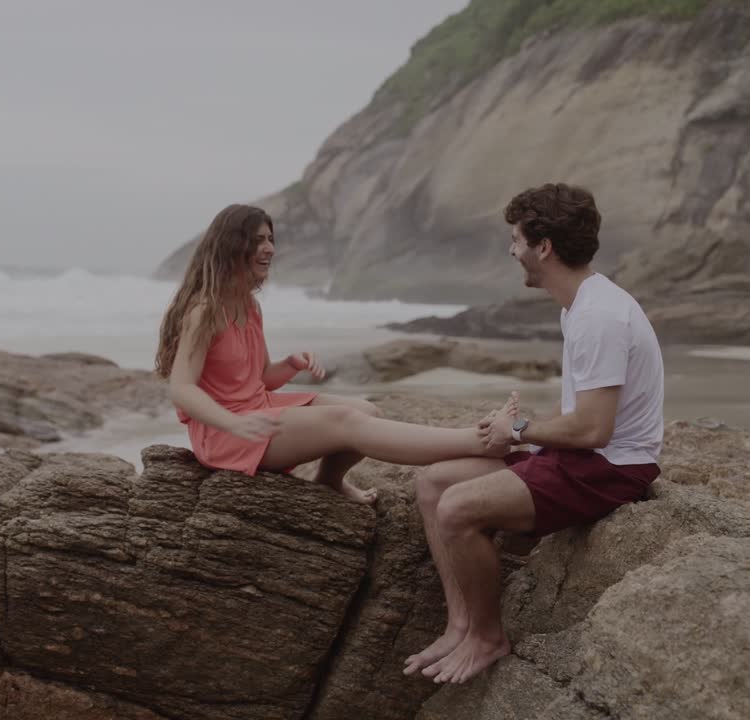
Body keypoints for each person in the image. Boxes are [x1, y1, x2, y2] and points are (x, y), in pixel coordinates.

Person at [403, 183, 665, 685]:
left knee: (458, 508)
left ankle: (487, 636)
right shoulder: (580, 306)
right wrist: (520, 430)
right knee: (433, 482)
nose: (511, 250)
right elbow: (586, 415)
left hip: (614, 467)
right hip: (584, 458)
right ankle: (460, 623)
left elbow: (594, 428)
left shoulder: (599, 316)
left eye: (517, 240)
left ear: (543, 247)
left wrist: (518, 429)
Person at [155, 203, 512, 505]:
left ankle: (328, 482)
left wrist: (291, 364)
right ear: (234, 245)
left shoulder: (248, 305)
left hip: (256, 410)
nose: (270, 249)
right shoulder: (204, 310)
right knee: (347, 423)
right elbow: (182, 388)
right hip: (227, 435)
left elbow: (261, 377)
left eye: (270, 239)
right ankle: (475, 441)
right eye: (258, 240)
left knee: (366, 410)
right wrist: (231, 422)